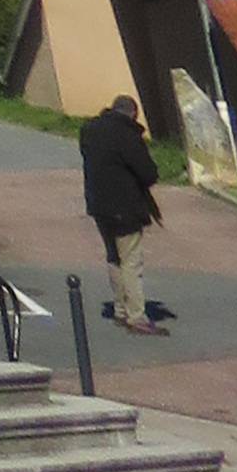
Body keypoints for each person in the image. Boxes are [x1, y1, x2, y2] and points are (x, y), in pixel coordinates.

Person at [80, 90, 168, 333]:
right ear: (132, 114)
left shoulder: (90, 130)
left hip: (98, 204)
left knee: (114, 257)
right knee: (131, 260)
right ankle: (136, 316)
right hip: (125, 206)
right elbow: (148, 173)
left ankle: (120, 309)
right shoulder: (127, 135)